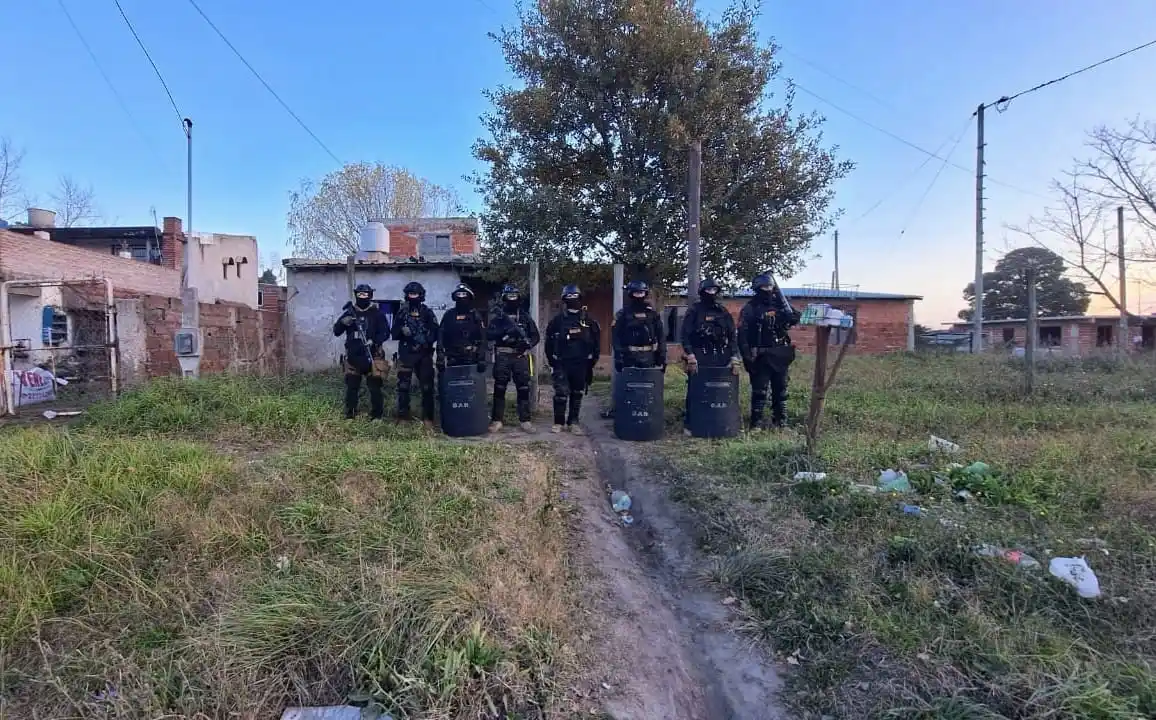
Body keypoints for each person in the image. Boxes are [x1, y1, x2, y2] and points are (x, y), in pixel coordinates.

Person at [738, 273, 801, 429]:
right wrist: (747, 357)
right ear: (757, 288)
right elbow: (742, 334)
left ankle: (781, 423)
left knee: (781, 391)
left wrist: (791, 313)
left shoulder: (781, 305)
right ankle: (756, 425)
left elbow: (795, 318)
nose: (768, 289)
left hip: (780, 354)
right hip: (761, 356)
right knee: (760, 392)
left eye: (770, 286)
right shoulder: (750, 308)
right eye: (764, 287)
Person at [680, 278, 741, 435]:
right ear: (702, 292)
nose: (711, 293)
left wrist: (735, 356)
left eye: (714, 290)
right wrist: (690, 355)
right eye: (708, 290)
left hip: (720, 355)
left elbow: (732, 336)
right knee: (696, 390)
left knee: (719, 389)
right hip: (699, 355)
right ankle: (691, 423)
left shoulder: (722, 311)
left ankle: (720, 422)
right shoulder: (694, 311)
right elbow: (685, 335)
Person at [603, 279, 666, 418]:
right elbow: (616, 337)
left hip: (648, 356)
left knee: (647, 387)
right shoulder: (622, 314)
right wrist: (618, 356)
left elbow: (661, 336)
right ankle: (623, 414)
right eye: (636, 293)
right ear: (630, 294)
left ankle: (647, 415)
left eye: (641, 293)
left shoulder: (652, 314)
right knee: (627, 387)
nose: (639, 296)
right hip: (629, 356)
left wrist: (662, 355)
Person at [545, 284, 601, 434]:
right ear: (564, 299)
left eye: (574, 296)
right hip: (562, 363)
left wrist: (592, 362)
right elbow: (548, 343)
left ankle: (573, 422)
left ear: (579, 298)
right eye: (569, 296)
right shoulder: (557, 321)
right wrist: (552, 362)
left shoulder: (588, 320)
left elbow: (596, 342)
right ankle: (558, 422)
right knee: (561, 393)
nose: (572, 299)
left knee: (577, 393)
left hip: (581, 363)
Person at [333, 283, 391, 420]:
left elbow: (386, 333)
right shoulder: (349, 312)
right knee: (352, 387)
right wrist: (343, 323)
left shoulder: (377, 314)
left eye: (365, 294)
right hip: (353, 357)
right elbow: (336, 331)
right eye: (360, 294)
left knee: (375, 387)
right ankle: (350, 414)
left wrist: (374, 341)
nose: (362, 297)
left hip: (373, 356)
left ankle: (377, 416)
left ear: (370, 295)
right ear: (356, 295)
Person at [488, 283, 541, 433]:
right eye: (509, 296)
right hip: (503, 355)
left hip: (520, 356)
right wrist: (504, 332)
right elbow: (489, 335)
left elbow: (535, 336)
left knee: (523, 388)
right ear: (504, 298)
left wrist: (527, 345)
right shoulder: (499, 317)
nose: (512, 299)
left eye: (514, 296)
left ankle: (525, 421)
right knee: (499, 387)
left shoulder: (524, 317)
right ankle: (497, 420)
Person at [392, 280, 439, 426]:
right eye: (410, 294)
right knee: (403, 387)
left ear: (421, 295)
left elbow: (436, 332)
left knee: (427, 387)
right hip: (406, 354)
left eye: (416, 294)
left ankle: (428, 419)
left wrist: (425, 340)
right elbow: (393, 333)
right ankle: (403, 417)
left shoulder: (427, 312)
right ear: (407, 295)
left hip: (424, 354)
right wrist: (402, 331)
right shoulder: (402, 313)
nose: (413, 296)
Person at [437, 283, 488, 373]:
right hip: (452, 357)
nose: (461, 297)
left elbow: (483, 336)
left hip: (471, 357)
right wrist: (440, 354)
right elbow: (440, 334)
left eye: (464, 294)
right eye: (459, 294)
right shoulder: (449, 315)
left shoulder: (475, 315)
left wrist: (482, 357)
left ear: (469, 296)